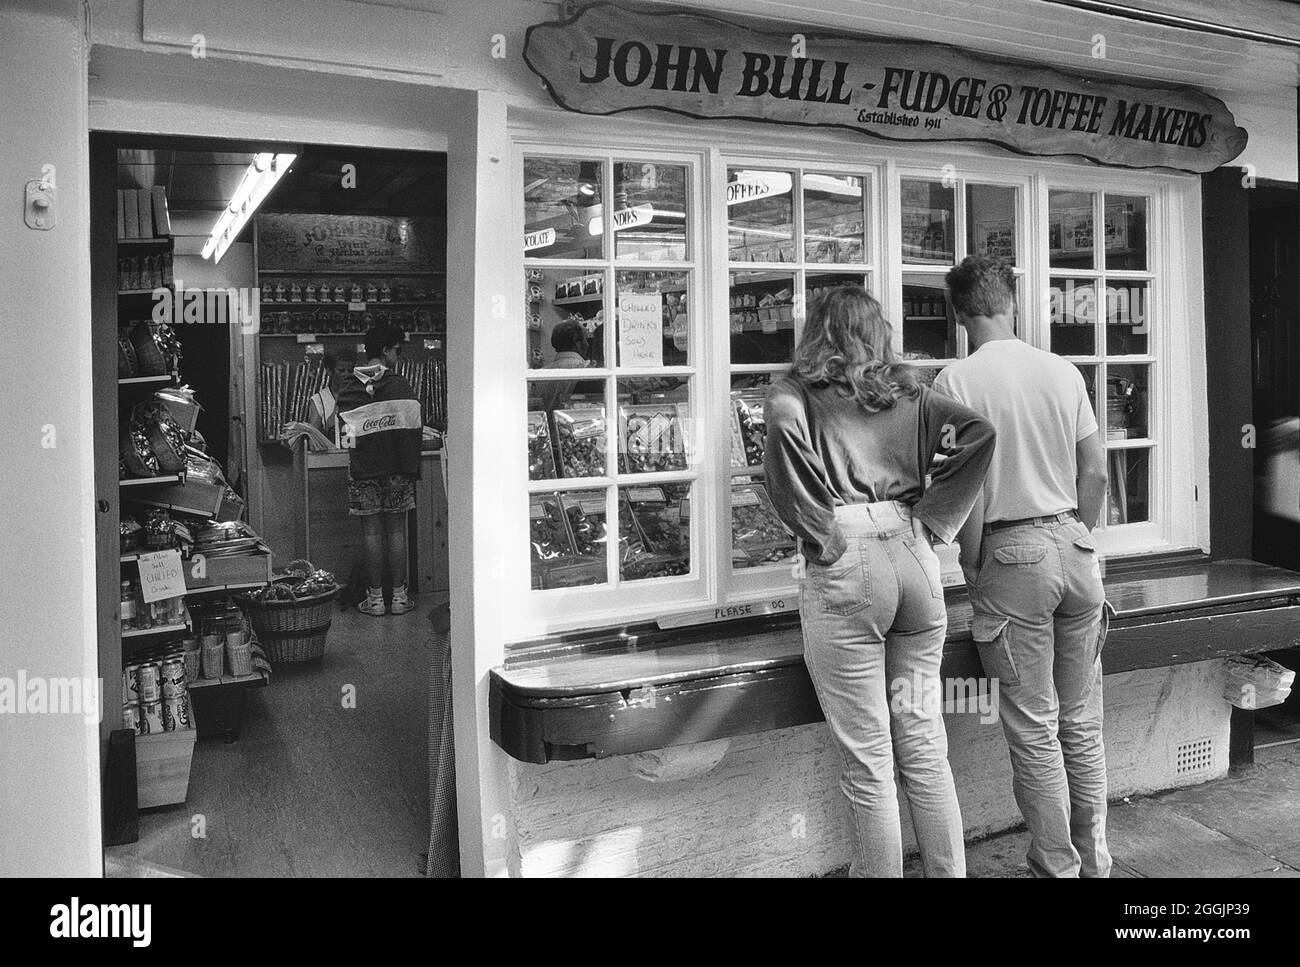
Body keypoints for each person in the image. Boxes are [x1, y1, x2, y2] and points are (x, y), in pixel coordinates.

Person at [764, 286, 995, 878]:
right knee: (923, 742)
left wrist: (824, 537)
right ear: (877, 332)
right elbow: (978, 435)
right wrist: (937, 519)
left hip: (849, 566)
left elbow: (784, 453)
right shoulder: (909, 391)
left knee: (869, 759)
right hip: (915, 558)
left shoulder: (794, 393)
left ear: (817, 331)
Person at [934, 255, 1112, 878]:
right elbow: (1096, 473)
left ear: (960, 314)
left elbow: (969, 492)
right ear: (1012, 303)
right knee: (1081, 724)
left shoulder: (955, 382)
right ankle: (1095, 864)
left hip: (1012, 554)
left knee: (1035, 730)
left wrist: (976, 563)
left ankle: (1056, 868)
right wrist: (1076, 534)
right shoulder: (1063, 372)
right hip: (1076, 548)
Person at [337, 324, 423, 617]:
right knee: (397, 531)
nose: (398, 356)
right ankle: (399, 598)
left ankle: (374, 600)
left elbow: (344, 437)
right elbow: (414, 431)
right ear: (385, 350)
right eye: (397, 350)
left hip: (362, 470)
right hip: (398, 468)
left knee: (372, 534)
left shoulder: (349, 387)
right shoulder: (401, 386)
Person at [307, 349, 355, 446]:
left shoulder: (359, 396)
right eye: (341, 370)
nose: (346, 374)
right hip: (331, 456)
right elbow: (313, 442)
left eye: (350, 371)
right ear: (329, 371)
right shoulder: (319, 400)